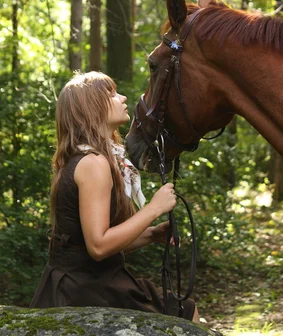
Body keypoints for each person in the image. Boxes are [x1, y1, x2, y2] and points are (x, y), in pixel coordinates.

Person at [29, 71, 199, 322]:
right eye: (112, 94)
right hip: (88, 289)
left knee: (184, 308)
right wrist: (153, 209)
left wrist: (151, 234)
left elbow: (92, 242)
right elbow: (98, 246)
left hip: (81, 282)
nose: (123, 98)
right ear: (92, 108)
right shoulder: (93, 163)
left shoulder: (86, 158)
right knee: (185, 312)